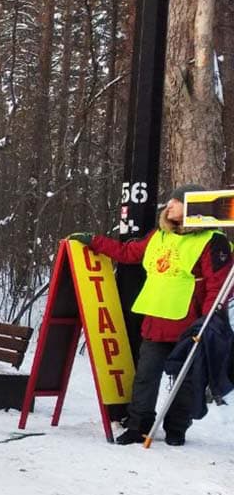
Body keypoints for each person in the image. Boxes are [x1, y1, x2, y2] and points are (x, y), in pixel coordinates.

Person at [69, 184, 232, 445]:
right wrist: (95, 241)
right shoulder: (159, 235)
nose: (169, 205)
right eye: (170, 201)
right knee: (145, 376)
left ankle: (177, 428)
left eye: (177, 202)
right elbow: (128, 253)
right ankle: (138, 426)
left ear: (194, 207)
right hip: (155, 320)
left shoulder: (213, 241)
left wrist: (207, 322)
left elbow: (218, 285)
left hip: (189, 326)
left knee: (186, 381)